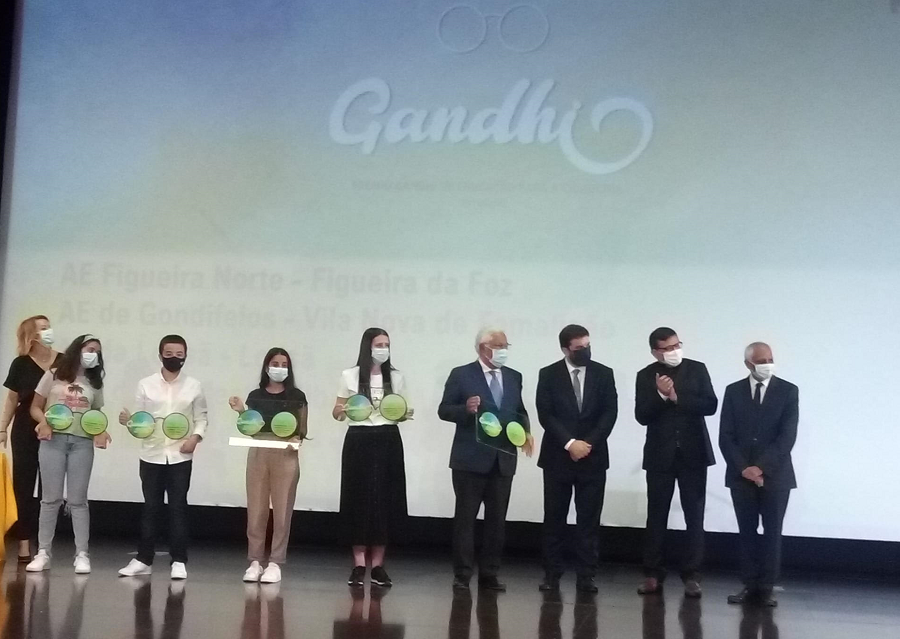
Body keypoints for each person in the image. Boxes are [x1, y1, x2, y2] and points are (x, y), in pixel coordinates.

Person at [438, 327, 533, 592]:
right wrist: (465, 409)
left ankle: (490, 573)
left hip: (503, 459)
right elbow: (444, 410)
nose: (504, 351)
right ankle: (462, 574)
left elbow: (519, 410)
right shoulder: (461, 374)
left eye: (506, 346)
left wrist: (525, 432)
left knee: (497, 521)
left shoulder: (514, 376)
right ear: (483, 348)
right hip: (470, 459)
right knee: (465, 520)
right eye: (499, 346)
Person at [117, 335, 208, 580]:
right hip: (151, 454)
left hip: (180, 456)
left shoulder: (194, 386)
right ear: (160, 355)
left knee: (178, 508)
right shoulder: (145, 384)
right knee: (151, 508)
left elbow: (201, 418)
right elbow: (141, 421)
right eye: (169, 354)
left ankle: (178, 560)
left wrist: (195, 438)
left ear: (185, 356)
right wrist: (129, 422)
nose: (174, 358)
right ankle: (143, 559)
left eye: (179, 354)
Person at [635, 327, 717, 598]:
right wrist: (660, 395)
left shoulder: (697, 369)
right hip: (660, 455)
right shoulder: (645, 375)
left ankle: (692, 575)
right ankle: (652, 573)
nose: (674, 351)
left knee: (694, 515)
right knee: (656, 514)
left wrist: (676, 397)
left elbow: (710, 405)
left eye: (676, 345)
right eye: (667, 348)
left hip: (693, 454)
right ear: (655, 352)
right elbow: (642, 415)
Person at [536, 324, 618, 593]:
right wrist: (570, 443)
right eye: (579, 348)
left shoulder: (604, 374)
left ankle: (586, 576)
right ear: (565, 349)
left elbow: (609, 413)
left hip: (593, 458)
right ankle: (552, 574)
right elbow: (546, 414)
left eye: (587, 346)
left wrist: (588, 443)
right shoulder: (548, 374)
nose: (585, 351)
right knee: (554, 519)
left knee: (589, 521)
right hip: (557, 457)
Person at [719, 342, 798, 607]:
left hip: (776, 475)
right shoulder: (733, 391)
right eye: (761, 360)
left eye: (770, 359)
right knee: (747, 532)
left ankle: (767, 588)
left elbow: (787, 436)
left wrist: (761, 467)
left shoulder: (788, 391)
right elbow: (726, 435)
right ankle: (749, 584)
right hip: (741, 475)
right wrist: (744, 467)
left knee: (773, 532)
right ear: (748, 364)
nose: (767, 364)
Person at [25, 334, 112, 573]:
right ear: (77, 349)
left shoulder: (94, 383)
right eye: (89, 349)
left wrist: (101, 431)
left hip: (81, 444)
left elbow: (96, 415)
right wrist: (43, 422)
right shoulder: (53, 374)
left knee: (78, 500)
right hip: (52, 441)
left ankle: (82, 554)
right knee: (50, 499)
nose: (93, 354)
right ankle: (43, 552)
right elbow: (35, 407)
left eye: (97, 351)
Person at [332, 328, 411, 588]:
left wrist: (404, 413)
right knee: (358, 498)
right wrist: (342, 410)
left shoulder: (396, 377)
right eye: (379, 344)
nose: (383, 349)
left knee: (384, 499)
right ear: (368, 346)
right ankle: (358, 564)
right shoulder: (350, 375)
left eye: (387, 345)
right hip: (359, 438)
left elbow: (401, 409)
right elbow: (337, 412)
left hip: (388, 438)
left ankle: (378, 565)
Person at [229, 347, 308, 584]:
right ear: (266, 367)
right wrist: (241, 411)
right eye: (275, 364)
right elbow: (250, 426)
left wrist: (295, 437)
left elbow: (303, 429)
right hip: (259, 451)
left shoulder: (297, 396)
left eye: (284, 365)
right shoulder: (255, 396)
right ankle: (254, 561)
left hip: (285, 453)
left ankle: (275, 562)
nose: (279, 368)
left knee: (282, 510)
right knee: (256, 509)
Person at [1, 315, 59, 562]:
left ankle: (44, 545)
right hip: (25, 428)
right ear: (32, 335)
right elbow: (12, 399)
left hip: (56, 429)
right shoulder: (21, 363)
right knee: (23, 486)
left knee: (50, 489)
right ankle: (23, 543)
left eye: (49, 327)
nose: (49, 331)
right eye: (43, 328)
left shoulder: (63, 361)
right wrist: (3, 428)